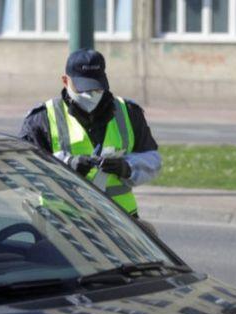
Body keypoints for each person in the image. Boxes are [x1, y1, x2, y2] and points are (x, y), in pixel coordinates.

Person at [19, 49, 161, 218]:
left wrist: (127, 167)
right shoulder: (41, 119)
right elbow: (24, 170)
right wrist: (65, 165)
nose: (90, 94)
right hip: (62, 221)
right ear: (65, 81)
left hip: (121, 220)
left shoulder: (129, 112)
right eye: (82, 88)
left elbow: (153, 161)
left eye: (96, 88)